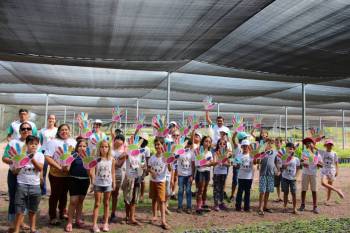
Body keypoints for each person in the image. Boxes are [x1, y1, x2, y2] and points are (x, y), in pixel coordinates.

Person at [2, 122, 33, 231]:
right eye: (23, 129)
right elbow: (4, 158)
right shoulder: (13, 143)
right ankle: (12, 223)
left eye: (28, 128)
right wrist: (15, 161)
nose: (26, 130)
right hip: (14, 174)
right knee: (13, 198)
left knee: (25, 199)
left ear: (31, 131)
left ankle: (21, 222)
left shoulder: (34, 143)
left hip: (28, 175)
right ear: (19, 131)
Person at [45, 124, 77, 225]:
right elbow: (48, 157)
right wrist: (59, 167)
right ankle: (52, 216)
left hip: (68, 174)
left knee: (64, 195)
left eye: (66, 130)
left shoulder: (73, 142)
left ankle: (62, 213)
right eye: (62, 130)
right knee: (55, 195)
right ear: (58, 132)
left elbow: (76, 156)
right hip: (56, 174)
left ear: (69, 131)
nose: (64, 132)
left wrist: (70, 167)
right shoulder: (53, 142)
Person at [12, 136, 44, 233]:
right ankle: (16, 230)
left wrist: (31, 158)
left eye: (35, 144)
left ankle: (32, 229)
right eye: (31, 144)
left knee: (33, 210)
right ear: (27, 145)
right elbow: (14, 172)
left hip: (35, 185)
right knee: (19, 210)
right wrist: (19, 165)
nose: (33, 146)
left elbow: (40, 168)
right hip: (22, 185)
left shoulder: (40, 155)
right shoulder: (20, 155)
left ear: (38, 145)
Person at [65, 138, 92, 232]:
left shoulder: (89, 156)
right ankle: (69, 222)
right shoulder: (73, 155)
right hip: (73, 180)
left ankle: (78, 219)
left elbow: (91, 171)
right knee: (73, 201)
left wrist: (93, 182)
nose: (82, 148)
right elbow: (67, 168)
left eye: (84, 146)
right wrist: (65, 164)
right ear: (77, 147)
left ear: (87, 147)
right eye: (80, 146)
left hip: (85, 181)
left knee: (80, 201)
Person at [121, 135, 146, 226]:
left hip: (137, 178)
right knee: (127, 198)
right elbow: (122, 156)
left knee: (134, 199)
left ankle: (132, 217)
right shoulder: (128, 153)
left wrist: (142, 167)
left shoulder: (141, 154)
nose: (135, 144)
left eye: (137, 143)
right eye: (133, 143)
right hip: (129, 178)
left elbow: (143, 165)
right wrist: (127, 151)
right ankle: (127, 216)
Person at [91, 140, 116, 232]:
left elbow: (113, 172)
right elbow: (93, 171)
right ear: (99, 148)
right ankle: (94, 224)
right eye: (102, 147)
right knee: (97, 203)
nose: (104, 148)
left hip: (108, 184)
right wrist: (92, 182)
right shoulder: (96, 159)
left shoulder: (112, 159)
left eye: (106, 147)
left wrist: (114, 183)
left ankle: (105, 223)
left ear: (109, 148)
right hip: (98, 184)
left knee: (106, 203)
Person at [148, 137, 172, 230]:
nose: (158, 146)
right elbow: (148, 167)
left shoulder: (165, 157)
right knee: (154, 199)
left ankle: (163, 221)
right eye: (156, 144)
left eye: (159, 144)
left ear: (163, 145)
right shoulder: (152, 158)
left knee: (161, 201)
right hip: (153, 181)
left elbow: (170, 170)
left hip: (161, 182)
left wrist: (169, 162)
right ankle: (154, 216)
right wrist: (151, 172)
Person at [299, 137, 323, 214]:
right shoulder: (304, 152)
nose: (309, 144)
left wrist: (317, 163)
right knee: (304, 189)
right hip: (305, 173)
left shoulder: (317, 154)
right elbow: (301, 162)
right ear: (306, 145)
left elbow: (321, 165)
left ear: (314, 144)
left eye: (310, 143)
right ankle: (302, 205)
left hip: (314, 174)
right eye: (307, 143)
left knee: (314, 190)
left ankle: (315, 206)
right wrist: (303, 163)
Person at [256, 138, 279, 215]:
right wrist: (260, 157)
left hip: (271, 174)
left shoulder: (275, 152)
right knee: (262, 191)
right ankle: (260, 208)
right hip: (263, 174)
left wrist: (278, 170)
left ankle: (265, 206)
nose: (270, 145)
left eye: (271, 143)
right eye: (268, 143)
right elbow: (258, 161)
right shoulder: (262, 152)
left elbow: (276, 162)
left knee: (268, 191)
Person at [319, 139, 344, 205]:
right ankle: (337, 190)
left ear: (332, 145)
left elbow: (336, 162)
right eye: (328, 144)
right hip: (324, 170)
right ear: (325, 145)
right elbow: (315, 148)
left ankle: (328, 200)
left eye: (331, 144)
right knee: (323, 183)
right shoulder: (322, 152)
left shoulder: (334, 153)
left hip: (331, 170)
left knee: (330, 185)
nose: (329, 146)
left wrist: (337, 170)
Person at [193, 136, 213, 215]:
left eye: (209, 142)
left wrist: (211, 163)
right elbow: (197, 164)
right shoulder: (197, 151)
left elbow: (211, 163)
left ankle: (203, 204)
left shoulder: (209, 152)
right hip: (200, 172)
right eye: (206, 141)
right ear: (202, 142)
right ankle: (198, 207)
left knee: (205, 189)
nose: (207, 143)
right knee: (200, 190)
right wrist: (206, 163)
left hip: (207, 172)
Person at [39, 114, 58, 195]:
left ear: (55, 120)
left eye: (53, 118)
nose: (51, 120)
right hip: (44, 152)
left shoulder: (58, 130)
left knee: (56, 171)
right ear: (47, 119)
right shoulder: (42, 130)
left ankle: (55, 190)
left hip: (55, 153)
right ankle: (43, 191)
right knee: (43, 172)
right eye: (50, 118)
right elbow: (40, 142)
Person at [110, 134, 127, 223]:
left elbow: (119, 165)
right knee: (107, 194)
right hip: (108, 175)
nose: (119, 140)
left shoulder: (123, 152)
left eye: (121, 139)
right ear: (114, 140)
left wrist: (112, 162)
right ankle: (106, 212)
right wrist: (115, 162)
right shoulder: (109, 150)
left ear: (123, 143)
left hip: (118, 175)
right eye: (117, 138)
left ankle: (113, 213)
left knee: (115, 194)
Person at [229, 131, 249, 203]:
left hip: (243, 166)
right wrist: (234, 134)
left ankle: (240, 195)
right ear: (242, 138)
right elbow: (233, 140)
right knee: (235, 181)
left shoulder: (246, 146)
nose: (247, 138)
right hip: (236, 165)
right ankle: (232, 195)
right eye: (245, 137)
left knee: (242, 181)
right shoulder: (237, 145)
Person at [235, 139, 254, 212]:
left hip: (249, 177)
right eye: (244, 146)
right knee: (240, 191)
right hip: (241, 176)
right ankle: (238, 207)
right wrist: (237, 165)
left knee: (247, 192)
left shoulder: (251, 155)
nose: (245, 147)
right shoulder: (239, 155)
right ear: (242, 147)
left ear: (249, 147)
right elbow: (235, 166)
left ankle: (247, 207)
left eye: (247, 146)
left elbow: (255, 163)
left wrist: (257, 157)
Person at [281, 142, 300, 214]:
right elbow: (282, 167)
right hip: (285, 178)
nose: (290, 150)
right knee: (285, 193)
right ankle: (285, 207)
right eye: (288, 149)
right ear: (286, 149)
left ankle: (294, 208)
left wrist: (296, 176)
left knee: (294, 193)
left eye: (291, 149)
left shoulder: (296, 159)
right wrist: (284, 165)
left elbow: (298, 168)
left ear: (294, 150)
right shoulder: (284, 157)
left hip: (293, 179)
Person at [212, 138, 231, 211]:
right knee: (216, 189)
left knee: (222, 189)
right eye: (220, 143)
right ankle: (216, 204)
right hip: (217, 173)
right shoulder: (216, 153)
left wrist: (225, 163)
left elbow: (229, 164)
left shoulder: (227, 153)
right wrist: (218, 162)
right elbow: (213, 163)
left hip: (224, 173)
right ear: (218, 145)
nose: (222, 145)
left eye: (224, 144)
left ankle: (221, 203)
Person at [176, 139, 194, 214]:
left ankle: (189, 207)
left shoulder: (191, 153)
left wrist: (192, 175)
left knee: (188, 191)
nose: (187, 145)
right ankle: (179, 206)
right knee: (180, 191)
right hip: (181, 175)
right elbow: (174, 157)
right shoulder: (179, 152)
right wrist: (182, 146)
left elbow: (193, 165)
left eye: (189, 144)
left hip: (188, 175)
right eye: (186, 143)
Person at [274, 137, 283, 202]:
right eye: (276, 143)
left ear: (281, 143)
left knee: (285, 184)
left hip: (283, 169)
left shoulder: (284, 151)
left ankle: (287, 197)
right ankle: (279, 197)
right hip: (277, 170)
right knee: (277, 184)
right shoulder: (274, 152)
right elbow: (274, 161)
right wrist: (277, 170)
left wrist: (281, 170)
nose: (277, 144)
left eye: (278, 143)